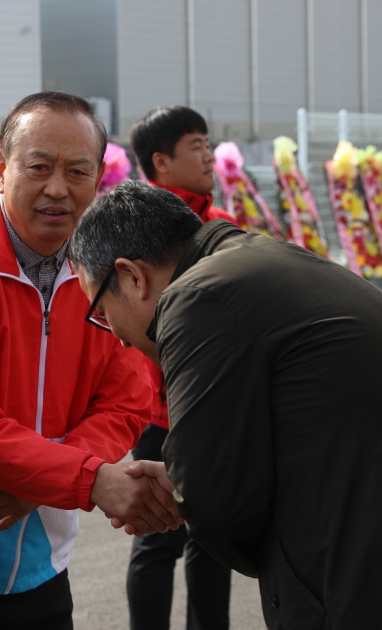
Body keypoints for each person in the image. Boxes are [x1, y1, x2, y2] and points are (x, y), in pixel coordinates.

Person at [69, 180, 382, 630]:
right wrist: (189, 480)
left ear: (132, 277)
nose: (112, 334)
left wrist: (185, 491)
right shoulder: (270, 259)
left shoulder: (196, 299)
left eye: (100, 311)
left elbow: (218, 502)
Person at [0, 92, 182, 629]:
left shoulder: (106, 270)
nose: (58, 188)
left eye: (78, 170)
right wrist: (90, 480)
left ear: (99, 176)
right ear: (0, 168)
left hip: (45, 564)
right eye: (39, 167)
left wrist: (46, 481)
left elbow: (127, 402)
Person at [126, 106, 234, 630]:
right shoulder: (140, 230)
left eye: (207, 142)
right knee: (156, 541)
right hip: (160, 412)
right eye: (196, 144)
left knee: (215, 541)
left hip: (214, 408)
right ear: (160, 162)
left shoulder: (218, 228)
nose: (208, 153)